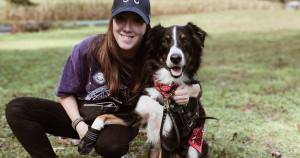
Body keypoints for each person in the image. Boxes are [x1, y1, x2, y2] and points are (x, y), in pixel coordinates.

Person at [5, 0, 201, 157]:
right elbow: (65, 94)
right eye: (121, 19)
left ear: (146, 26)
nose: (127, 27)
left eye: (136, 21)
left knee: (111, 145)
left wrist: (192, 91)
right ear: (111, 21)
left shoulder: (154, 53)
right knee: (17, 108)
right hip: (80, 115)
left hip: (118, 122)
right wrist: (79, 125)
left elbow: (184, 78)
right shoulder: (87, 48)